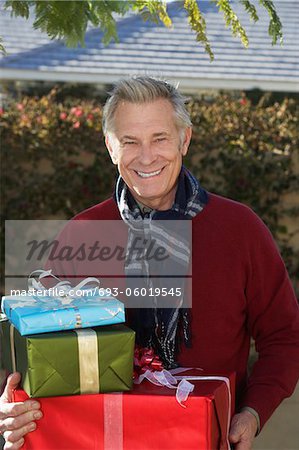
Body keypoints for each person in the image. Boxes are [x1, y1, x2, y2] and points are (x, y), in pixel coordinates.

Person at [1, 76, 299, 450]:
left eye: (160, 138)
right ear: (111, 147)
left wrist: (253, 412)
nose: (146, 156)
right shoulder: (82, 234)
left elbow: (285, 336)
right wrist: (12, 405)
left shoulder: (240, 230)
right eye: (129, 141)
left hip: (202, 438)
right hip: (98, 439)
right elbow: (35, 347)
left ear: (184, 140)